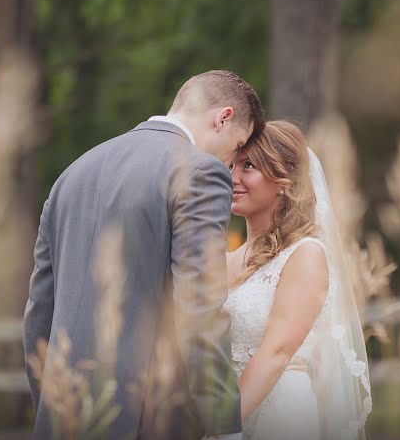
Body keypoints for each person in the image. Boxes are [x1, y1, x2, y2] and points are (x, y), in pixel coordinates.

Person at [23, 70, 265, 440]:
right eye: (238, 145)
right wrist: (221, 423)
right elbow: (199, 307)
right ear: (223, 117)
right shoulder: (199, 173)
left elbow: (38, 318)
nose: (231, 163)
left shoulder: (71, 176)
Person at [224, 121, 372, 439]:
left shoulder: (305, 255)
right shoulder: (225, 261)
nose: (232, 177)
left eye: (248, 166)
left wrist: (221, 424)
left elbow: (277, 351)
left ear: (284, 181)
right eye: (232, 164)